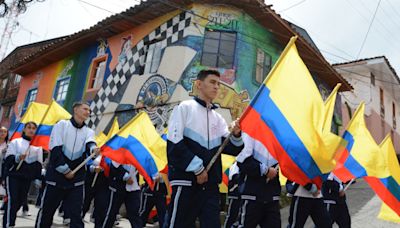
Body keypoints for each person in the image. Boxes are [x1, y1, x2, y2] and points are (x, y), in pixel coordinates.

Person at [164, 69, 244, 228]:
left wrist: (236, 134)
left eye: (218, 84)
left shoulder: (219, 118)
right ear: (199, 84)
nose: (216, 87)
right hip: (186, 181)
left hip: (211, 186)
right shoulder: (184, 108)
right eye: (212, 82)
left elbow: (233, 149)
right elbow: (174, 143)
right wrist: (198, 169)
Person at [35, 101, 100, 228]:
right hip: (56, 177)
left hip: (76, 180)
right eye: (85, 109)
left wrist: (94, 150)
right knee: (47, 212)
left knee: (76, 214)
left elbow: (90, 145)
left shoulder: (89, 131)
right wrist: (65, 170)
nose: (88, 112)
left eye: (89, 110)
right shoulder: (61, 125)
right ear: (75, 110)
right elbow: (55, 149)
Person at [2, 122, 43, 227]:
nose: (31, 130)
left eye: (34, 128)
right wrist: (18, 157)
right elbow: (7, 160)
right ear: (24, 129)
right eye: (29, 127)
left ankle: (8, 217)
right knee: (13, 200)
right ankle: (9, 224)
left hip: (26, 178)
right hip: (13, 176)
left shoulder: (38, 147)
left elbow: (38, 164)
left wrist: (38, 179)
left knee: (20, 202)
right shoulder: (16, 142)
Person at [236, 135, 281, 228]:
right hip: (252, 195)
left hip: (271, 196)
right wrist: (265, 170)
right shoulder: (249, 131)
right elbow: (242, 161)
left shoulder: (277, 131)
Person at [102, 162, 142, 228]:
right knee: (111, 213)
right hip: (118, 186)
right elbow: (114, 165)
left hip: (133, 187)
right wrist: (125, 176)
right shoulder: (119, 152)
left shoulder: (139, 154)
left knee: (134, 213)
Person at [82, 155, 110, 227]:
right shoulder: (93, 147)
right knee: (84, 204)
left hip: (104, 184)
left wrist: (105, 168)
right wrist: (93, 168)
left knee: (101, 207)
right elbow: (86, 160)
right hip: (90, 182)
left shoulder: (113, 151)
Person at [223, 162, 241, 228]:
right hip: (235, 194)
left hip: (242, 195)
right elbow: (233, 177)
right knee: (232, 215)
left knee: (240, 216)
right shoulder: (235, 165)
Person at [0, 126, 9, 212]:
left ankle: (3, 205)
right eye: (1, 131)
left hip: (2, 170)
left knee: (3, 190)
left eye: (4, 132)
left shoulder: (8, 146)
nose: (2, 133)